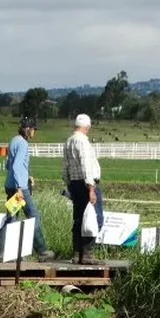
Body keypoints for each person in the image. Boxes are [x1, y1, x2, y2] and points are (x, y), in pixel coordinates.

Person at [4, 117, 54, 261]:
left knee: (12, 217)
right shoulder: (23, 144)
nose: (34, 132)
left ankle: (7, 253)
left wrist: (27, 175)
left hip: (10, 184)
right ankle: (42, 251)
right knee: (33, 216)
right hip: (20, 188)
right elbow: (17, 165)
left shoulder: (13, 140)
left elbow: (9, 165)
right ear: (28, 129)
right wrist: (20, 186)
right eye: (33, 129)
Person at [62, 113, 105, 264]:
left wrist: (69, 185)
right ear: (87, 127)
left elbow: (65, 166)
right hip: (86, 184)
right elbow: (86, 166)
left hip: (74, 183)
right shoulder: (83, 142)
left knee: (79, 219)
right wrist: (91, 188)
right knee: (95, 218)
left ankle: (77, 254)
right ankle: (87, 254)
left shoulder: (68, 141)